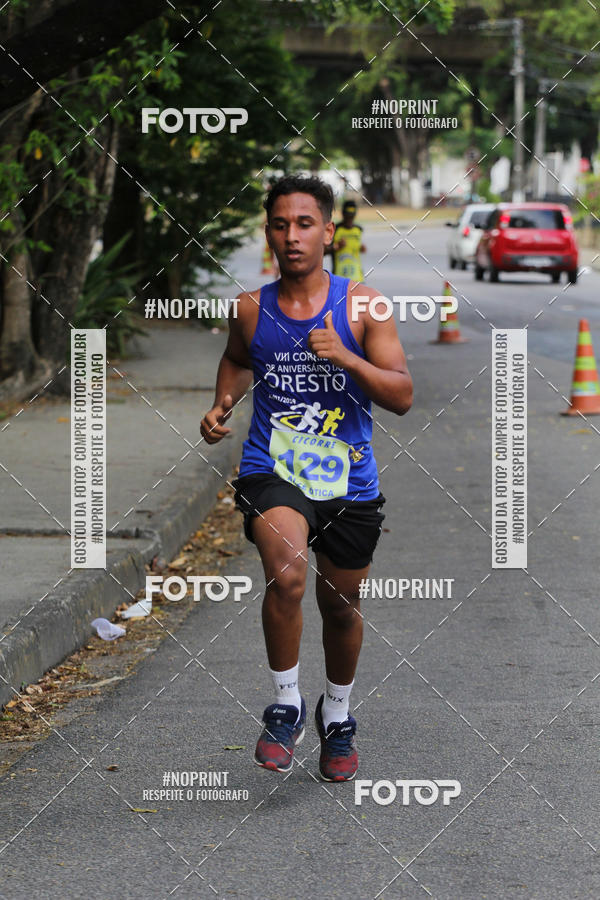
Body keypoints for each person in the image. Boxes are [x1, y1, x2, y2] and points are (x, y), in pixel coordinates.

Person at [200, 174, 412, 782]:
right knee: (287, 575)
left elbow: (401, 395)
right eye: (279, 225)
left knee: (341, 606)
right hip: (274, 469)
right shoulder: (250, 307)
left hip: (348, 480)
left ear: (327, 232)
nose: (291, 237)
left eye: (304, 224)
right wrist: (223, 403)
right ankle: (285, 703)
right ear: (268, 232)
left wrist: (346, 357)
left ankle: (337, 716)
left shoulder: (362, 305)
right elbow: (240, 359)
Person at [328, 199, 366, 282]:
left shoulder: (358, 230)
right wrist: (336, 246)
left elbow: (357, 248)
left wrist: (361, 248)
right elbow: (323, 250)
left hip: (357, 278)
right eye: (348, 216)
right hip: (339, 278)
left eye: (352, 216)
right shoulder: (335, 229)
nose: (350, 219)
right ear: (343, 214)